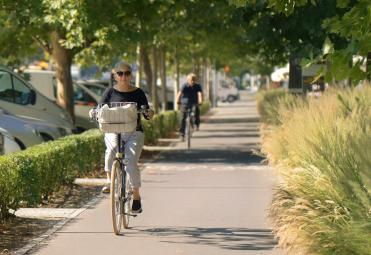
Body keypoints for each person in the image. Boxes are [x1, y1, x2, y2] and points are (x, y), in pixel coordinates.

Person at [99, 62, 154, 214]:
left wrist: (149, 113)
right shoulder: (109, 92)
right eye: (120, 73)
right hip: (113, 130)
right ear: (115, 75)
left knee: (130, 162)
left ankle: (136, 196)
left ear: (131, 75)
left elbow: (147, 111)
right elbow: (100, 109)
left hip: (133, 132)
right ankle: (110, 181)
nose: (124, 76)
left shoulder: (138, 92)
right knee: (110, 152)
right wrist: (94, 113)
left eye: (127, 73)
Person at [176, 73, 203, 140]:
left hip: (194, 102)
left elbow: (199, 94)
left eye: (194, 80)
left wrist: (200, 101)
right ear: (188, 80)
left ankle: (196, 124)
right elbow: (180, 94)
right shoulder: (184, 86)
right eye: (191, 80)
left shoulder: (197, 86)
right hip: (184, 103)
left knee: (196, 110)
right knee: (182, 118)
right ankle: (182, 134)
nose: (192, 81)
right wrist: (177, 101)